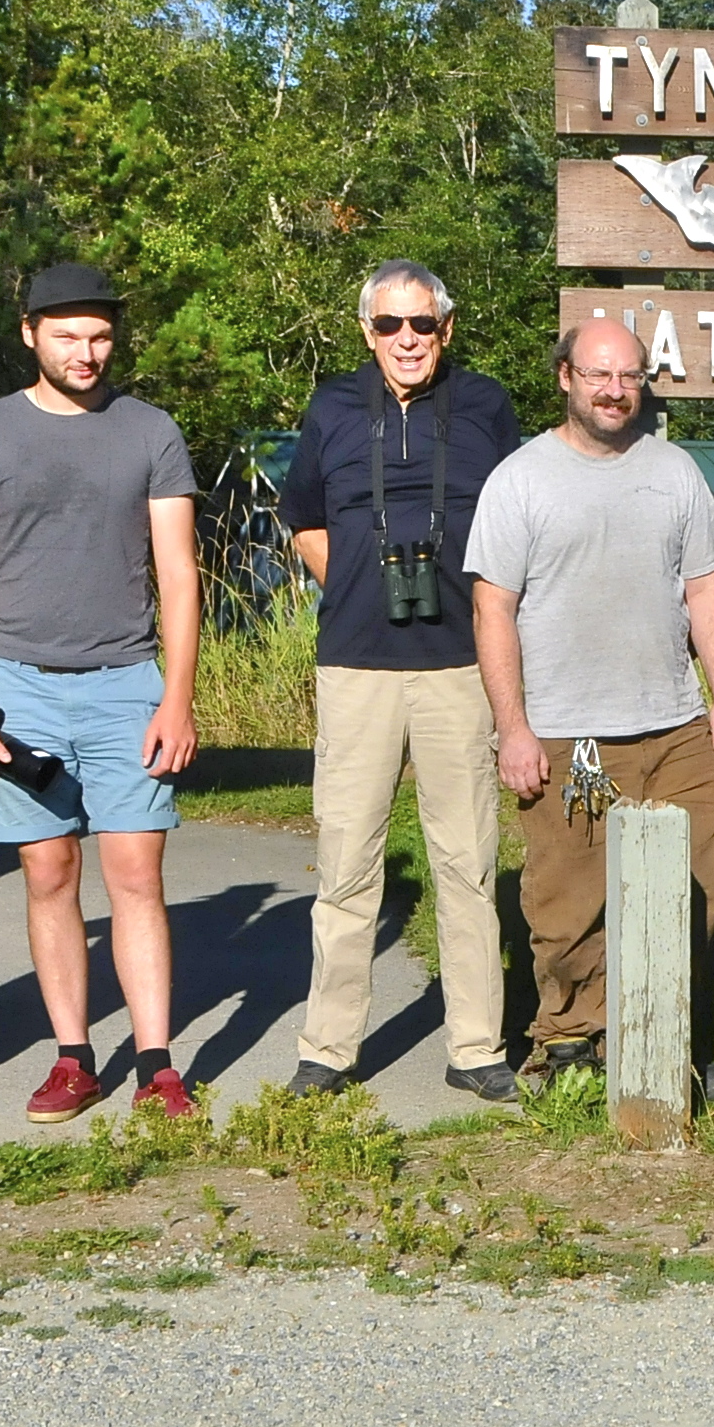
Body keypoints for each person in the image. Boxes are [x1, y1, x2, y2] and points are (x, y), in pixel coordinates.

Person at [0, 263, 202, 1124]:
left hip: (128, 681)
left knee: (136, 872)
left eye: (99, 336)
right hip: (17, 686)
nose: (85, 352)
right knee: (49, 870)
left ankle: (157, 1065)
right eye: (66, 336)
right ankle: (74, 1056)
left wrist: (178, 698)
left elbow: (179, 572)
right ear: (30, 333)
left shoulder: (150, 430)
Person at [472, 318, 714, 1092]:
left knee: (693, 887)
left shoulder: (676, 473)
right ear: (565, 378)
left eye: (628, 375)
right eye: (598, 375)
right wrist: (514, 728)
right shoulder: (520, 479)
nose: (614, 390)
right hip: (569, 733)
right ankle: (569, 1042)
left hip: (675, 724)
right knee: (569, 896)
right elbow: (493, 608)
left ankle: (667, 1037)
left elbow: (704, 589)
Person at [279, 259, 523, 1100]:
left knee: (468, 862)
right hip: (356, 665)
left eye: (423, 324)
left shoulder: (487, 404)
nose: (408, 339)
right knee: (347, 864)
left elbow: (518, 522)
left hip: (462, 663)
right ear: (367, 331)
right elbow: (304, 517)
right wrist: (351, 582)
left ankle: (478, 1046)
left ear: (447, 328)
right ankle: (329, 1047)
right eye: (391, 326)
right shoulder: (333, 406)